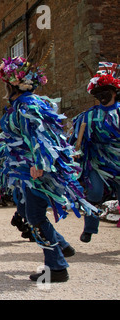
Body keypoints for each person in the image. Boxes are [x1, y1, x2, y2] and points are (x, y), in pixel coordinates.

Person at [0, 56, 97, 283]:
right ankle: (62, 249)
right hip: (28, 171)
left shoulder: (27, 105)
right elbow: (16, 138)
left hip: (36, 171)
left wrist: (39, 164)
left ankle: (57, 267)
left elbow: (38, 135)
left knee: (35, 215)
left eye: (6, 85)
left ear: (12, 85)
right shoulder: (26, 104)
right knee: (28, 211)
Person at [69, 61, 120, 243]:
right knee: (95, 193)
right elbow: (74, 140)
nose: (101, 96)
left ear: (114, 92)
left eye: (105, 92)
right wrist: (73, 151)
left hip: (119, 160)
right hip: (97, 161)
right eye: (98, 94)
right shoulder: (88, 116)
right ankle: (89, 228)